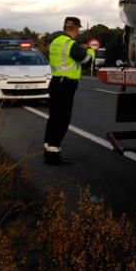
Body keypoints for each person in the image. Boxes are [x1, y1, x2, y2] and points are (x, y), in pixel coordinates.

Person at [43, 16, 95, 165]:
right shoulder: (71, 44)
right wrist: (90, 50)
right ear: (76, 29)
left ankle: (48, 149)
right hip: (65, 85)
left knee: (54, 118)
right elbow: (87, 61)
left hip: (55, 82)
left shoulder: (55, 42)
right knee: (62, 120)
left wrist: (80, 48)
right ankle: (54, 154)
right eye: (78, 29)